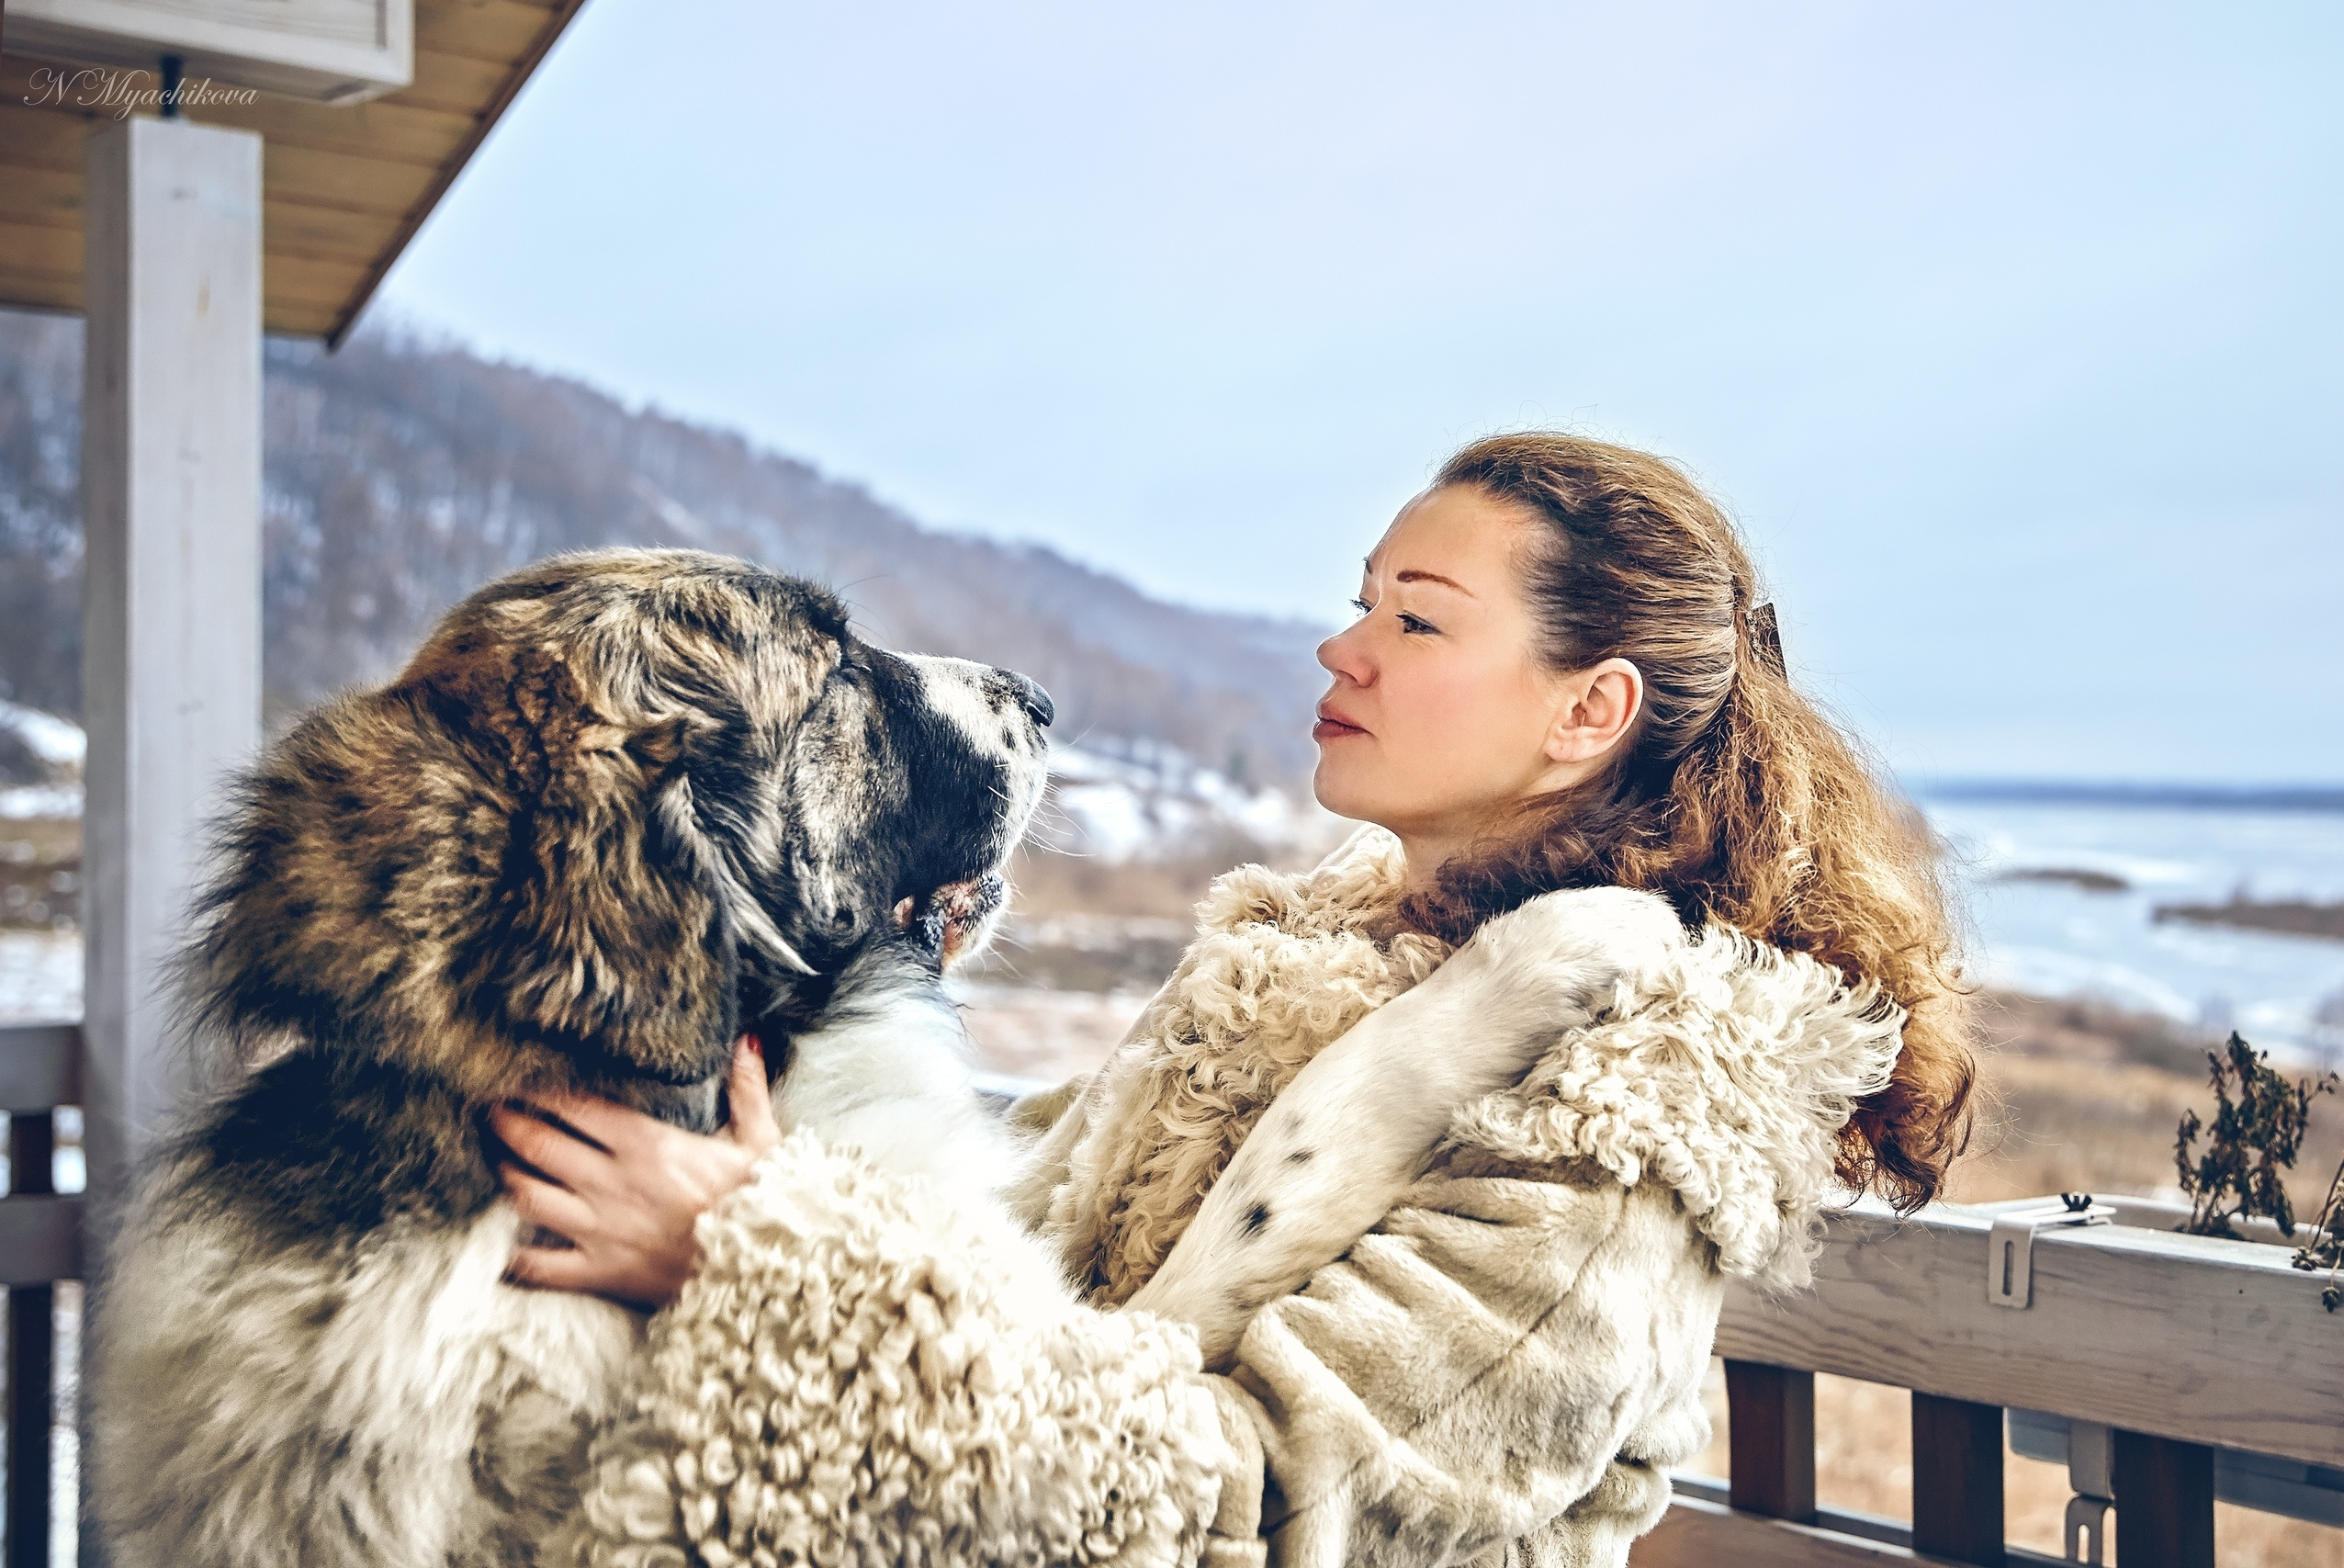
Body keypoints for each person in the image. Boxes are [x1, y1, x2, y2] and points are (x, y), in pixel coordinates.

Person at [496, 433, 1975, 1567]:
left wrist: (756, 1259)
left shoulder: (1625, 1124)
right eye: (1361, 606)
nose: (1344, 650)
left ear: (1588, 712)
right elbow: (1020, 1249)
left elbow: (1256, 1512)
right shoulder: (1286, 982)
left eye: (1419, 621)